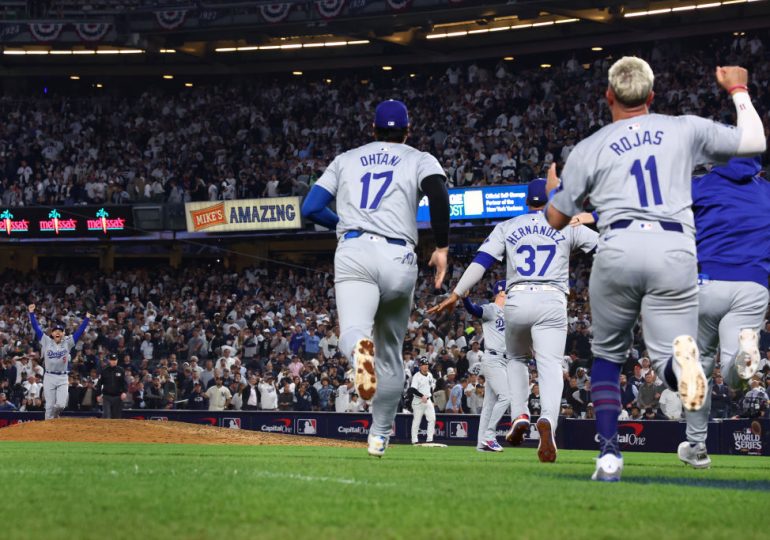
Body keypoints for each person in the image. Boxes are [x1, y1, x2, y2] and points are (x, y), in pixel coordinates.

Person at [544, 58, 765, 481]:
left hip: (618, 245)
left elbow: (556, 219)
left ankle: (609, 456)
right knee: (671, 354)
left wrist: (555, 188)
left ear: (608, 95)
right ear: (652, 96)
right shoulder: (683, 128)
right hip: (674, 248)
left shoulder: (591, 146)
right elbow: (754, 141)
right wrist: (738, 90)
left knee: (607, 358)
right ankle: (684, 371)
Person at [301, 99, 450, 458]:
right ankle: (379, 436)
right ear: (407, 131)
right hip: (399, 256)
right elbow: (438, 194)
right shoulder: (419, 157)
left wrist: (346, 224)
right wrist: (442, 248)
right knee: (391, 355)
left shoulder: (346, 159)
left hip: (355, 251)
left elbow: (309, 208)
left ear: (373, 130)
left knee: (354, 331)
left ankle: (358, 352)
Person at [430, 179, 597, 463]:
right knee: (550, 366)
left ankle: (520, 414)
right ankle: (547, 420)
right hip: (552, 299)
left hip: (517, 298)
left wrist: (457, 293)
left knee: (517, 359)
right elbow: (603, 248)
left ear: (525, 202)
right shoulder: (568, 224)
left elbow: (481, 262)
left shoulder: (508, 226)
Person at [679, 157, 770, 468]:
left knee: (696, 365)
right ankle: (743, 358)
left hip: (708, 283)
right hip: (753, 285)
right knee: (733, 369)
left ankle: (697, 445)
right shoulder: (766, 191)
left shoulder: (703, 185)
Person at [462, 280, 509, 453]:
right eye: (508, 292)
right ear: (501, 293)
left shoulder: (509, 313)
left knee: (490, 404)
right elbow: (475, 310)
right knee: (506, 397)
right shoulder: (491, 309)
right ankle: (489, 436)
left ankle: (481, 444)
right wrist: (466, 300)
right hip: (493, 358)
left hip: (503, 360)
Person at [28, 304, 91, 419]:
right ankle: (48, 430)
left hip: (62, 377)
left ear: (63, 334)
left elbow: (79, 331)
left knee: (61, 405)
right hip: (49, 376)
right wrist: (31, 314)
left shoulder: (68, 342)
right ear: (52, 333)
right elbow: (36, 328)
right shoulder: (46, 341)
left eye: (60, 331)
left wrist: (87, 319)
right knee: (49, 407)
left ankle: (55, 417)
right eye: (55, 331)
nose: (57, 332)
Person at [408, 357, 436, 445]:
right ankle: (414, 440)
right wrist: (422, 396)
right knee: (417, 421)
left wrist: (432, 400)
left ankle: (430, 439)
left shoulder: (430, 375)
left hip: (428, 400)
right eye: (423, 365)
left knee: (432, 419)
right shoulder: (417, 376)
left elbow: (431, 388)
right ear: (420, 366)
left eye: (426, 365)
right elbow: (412, 389)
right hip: (418, 401)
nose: (425, 367)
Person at [96, 354, 127, 419]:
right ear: (109, 360)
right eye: (112, 360)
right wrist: (98, 394)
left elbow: (124, 383)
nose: (114, 361)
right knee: (106, 415)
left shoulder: (121, 370)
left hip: (118, 397)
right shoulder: (104, 371)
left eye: (115, 360)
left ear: (117, 360)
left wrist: (124, 392)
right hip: (107, 397)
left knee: (116, 417)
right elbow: (99, 383)